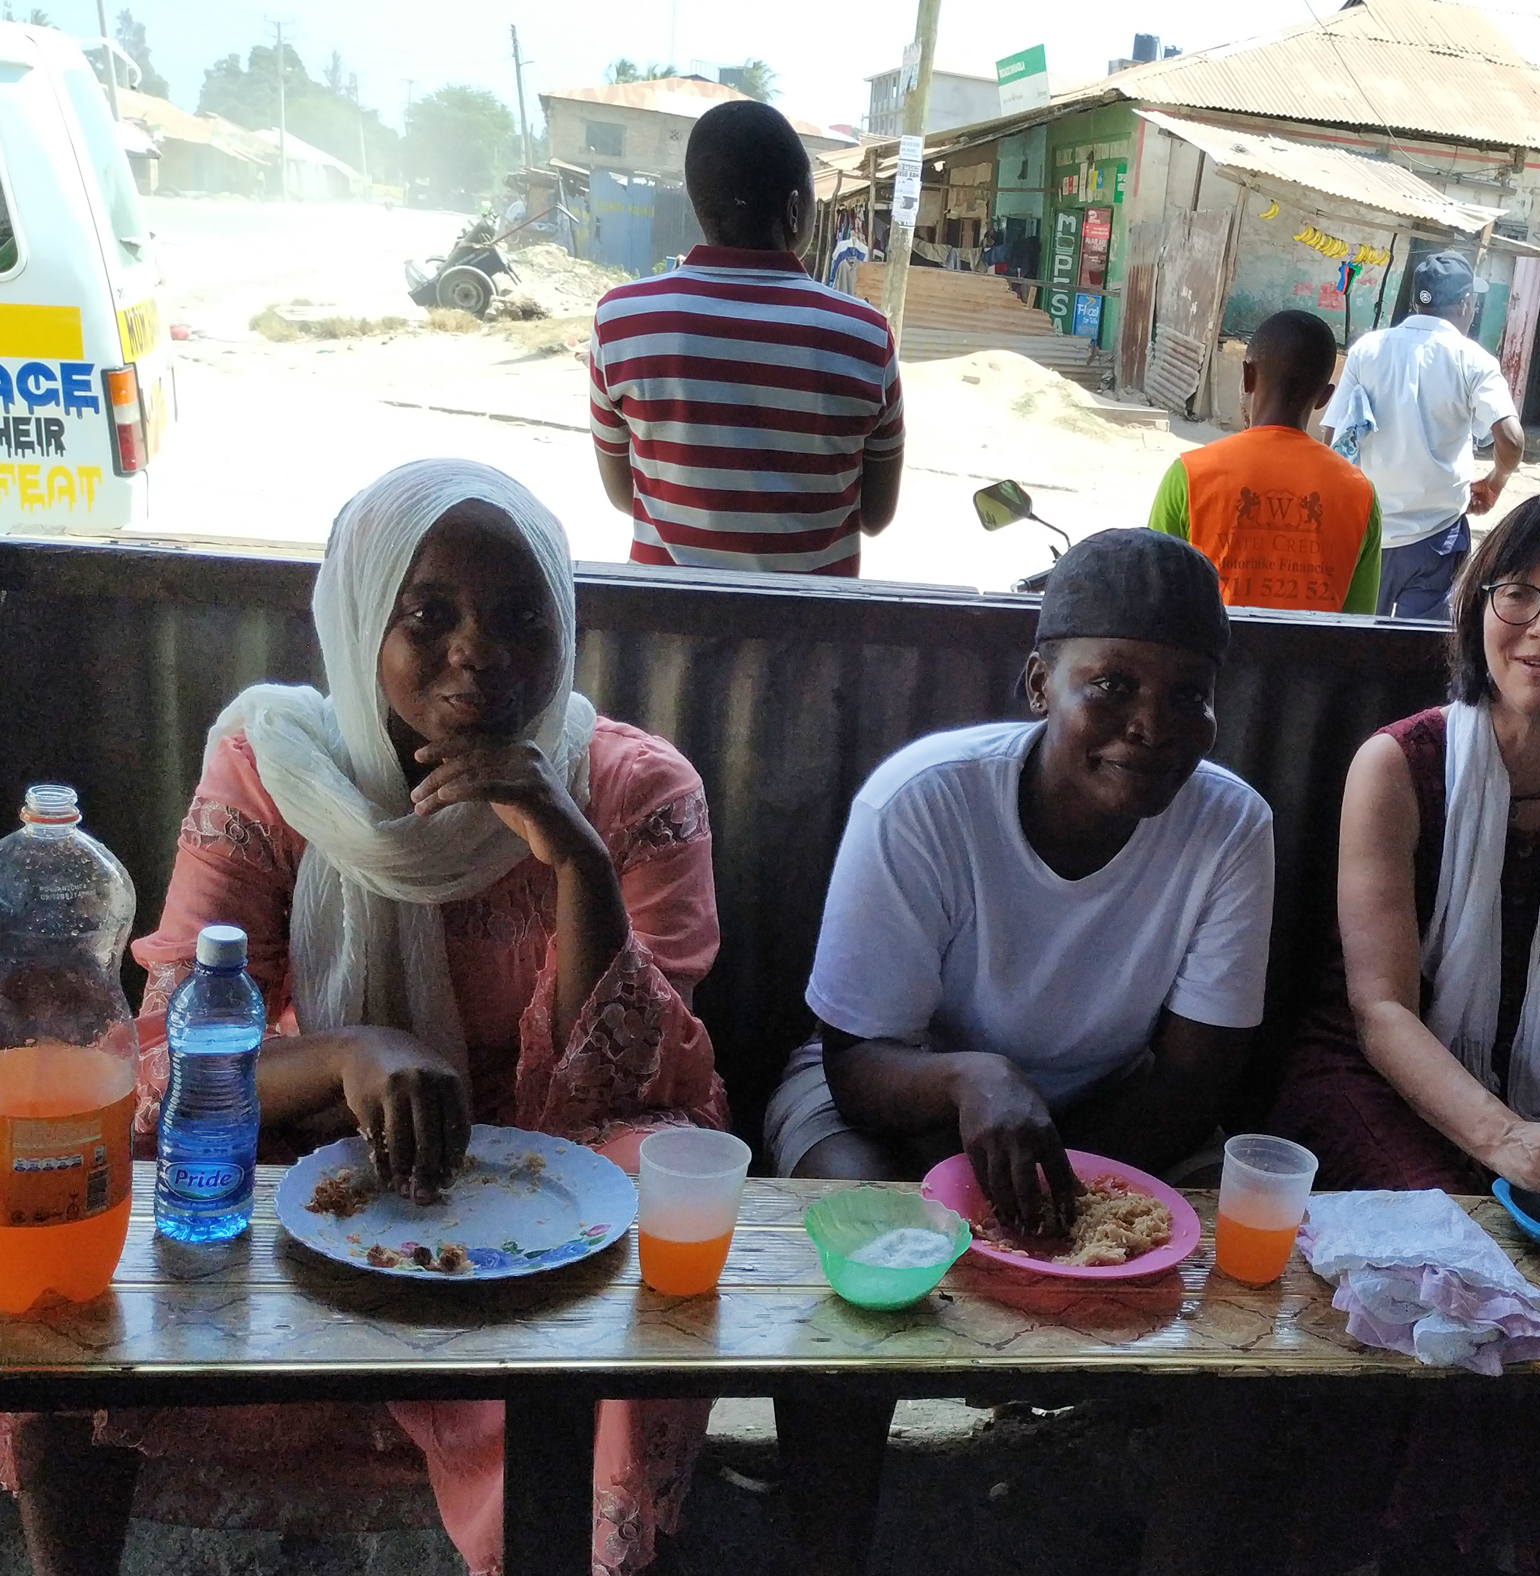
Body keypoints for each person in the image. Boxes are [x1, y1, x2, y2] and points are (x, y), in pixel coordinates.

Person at [0, 460, 731, 1576]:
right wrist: (349, 1051)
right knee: (68, 1202)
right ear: (356, 620)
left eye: (522, 616)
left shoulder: (635, 790)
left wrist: (576, 858)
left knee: (656, 1189)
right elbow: (168, 1053)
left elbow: (628, 1081)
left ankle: (591, 1550)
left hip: (550, 1153)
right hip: (323, 1139)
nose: (479, 652)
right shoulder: (273, 768)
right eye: (427, 615)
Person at [766, 527, 1274, 1208]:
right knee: (880, 1222)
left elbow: (1190, 1084)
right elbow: (856, 1066)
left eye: (1189, 697)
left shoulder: (1231, 827)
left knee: (1221, 1235)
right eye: (1112, 685)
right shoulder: (923, 801)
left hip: (1119, 1117)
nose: (1152, 726)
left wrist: (1048, 1186)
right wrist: (970, 1080)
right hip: (893, 1106)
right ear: (1041, 685)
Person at [1269, 492, 1540, 1210]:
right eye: (1518, 593)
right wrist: (1505, 1139)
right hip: (1371, 1087)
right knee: (1463, 1239)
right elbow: (1381, 1011)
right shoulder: (1397, 766)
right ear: (1478, 611)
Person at [589, 99, 903, 575]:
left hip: (665, 616)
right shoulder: (865, 336)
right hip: (815, 620)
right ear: (795, 209)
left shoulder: (622, 320)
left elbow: (621, 495)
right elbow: (876, 516)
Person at [1322, 252, 1526, 621]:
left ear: (1417, 301)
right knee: (1422, 647)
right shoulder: (1473, 359)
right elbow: (1511, 440)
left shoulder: (1367, 350)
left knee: (1356, 639)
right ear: (1466, 304)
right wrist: (1495, 482)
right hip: (1437, 538)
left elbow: (1334, 438)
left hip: (1368, 532)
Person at [1146, 309, 1381, 615]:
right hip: (1316, 650)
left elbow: (1155, 601)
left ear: (1248, 376)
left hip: (1213, 648)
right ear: (1325, 397)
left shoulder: (1190, 475)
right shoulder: (1361, 494)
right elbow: (1357, 623)